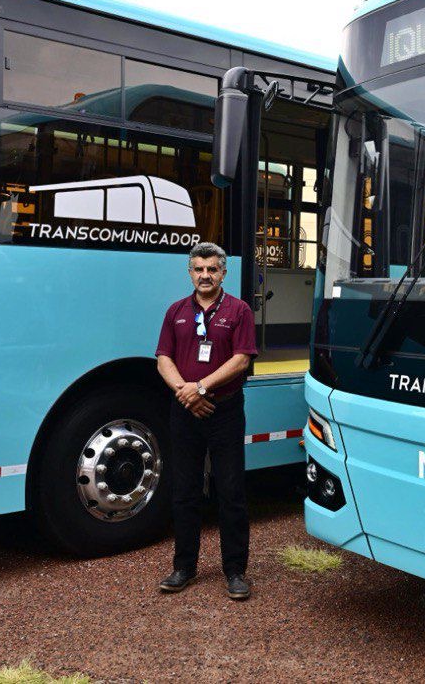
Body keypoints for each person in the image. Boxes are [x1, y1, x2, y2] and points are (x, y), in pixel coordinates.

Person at [155, 242, 257, 600]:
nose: (205, 275)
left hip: (225, 410)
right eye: (199, 269)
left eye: (212, 269)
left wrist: (200, 387)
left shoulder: (239, 310)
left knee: (231, 492)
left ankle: (235, 571)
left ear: (223, 273)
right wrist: (186, 393)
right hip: (185, 412)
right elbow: (163, 359)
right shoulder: (175, 312)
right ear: (190, 272)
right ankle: (184, 567)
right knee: (184, 492)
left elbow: (242, 359)